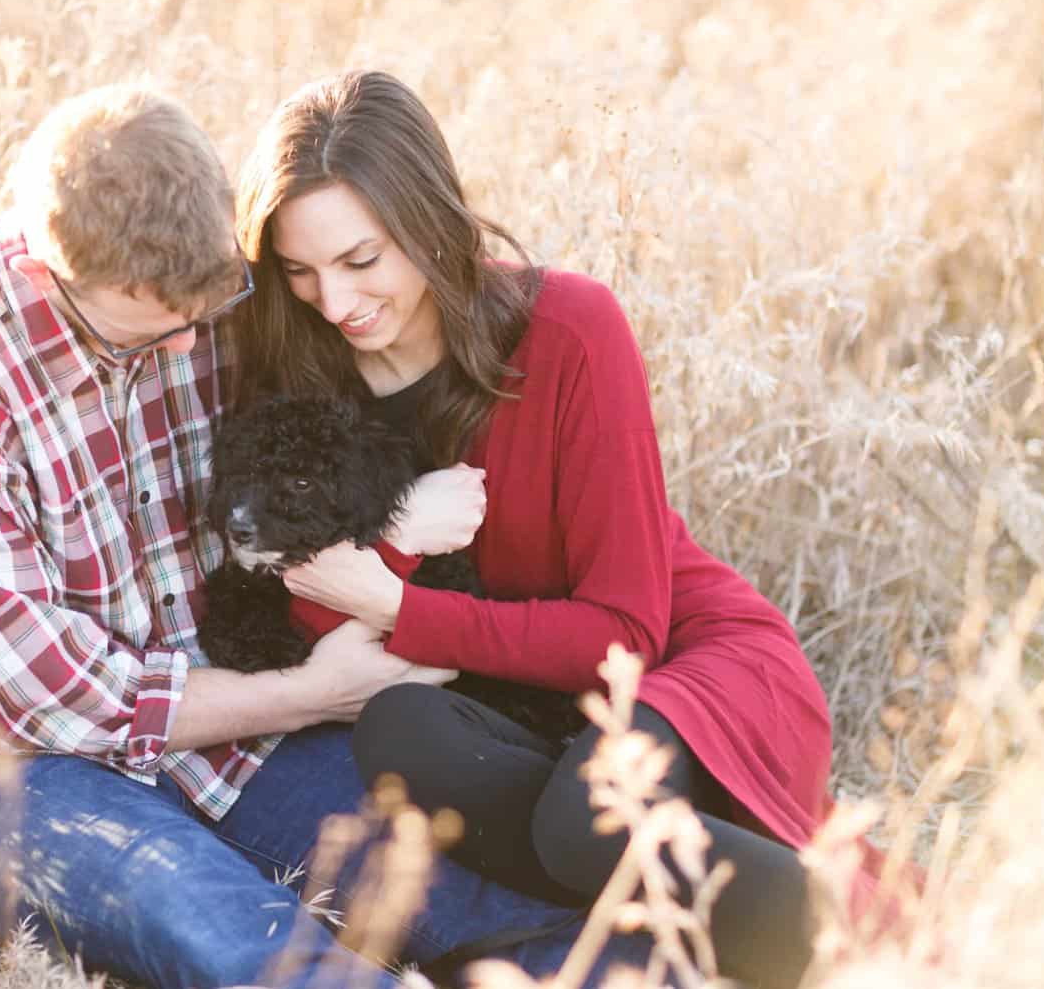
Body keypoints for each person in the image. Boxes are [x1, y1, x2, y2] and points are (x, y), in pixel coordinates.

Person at [0, 84, 660, 989]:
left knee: (534, 917)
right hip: (11, 768)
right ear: (43, 277)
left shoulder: (207, 287)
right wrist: (312, 695)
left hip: (234, 721)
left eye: (207, 314)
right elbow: (44, 698)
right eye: (147, 336)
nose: (191, 350)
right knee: (246, 943)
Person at [228, 69, 846, 989]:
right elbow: (317, 612)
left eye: (363, 261)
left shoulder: (569, 329)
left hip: (684, 666)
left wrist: (395, 599)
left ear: (430, 224)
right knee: (399, 734)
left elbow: (623, 634)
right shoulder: (302, 358)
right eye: (300, 270)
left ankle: (852, 942)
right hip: (533, 711)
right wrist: (400, 536)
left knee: (581, 821)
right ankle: (695, 925)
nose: (334, 299)